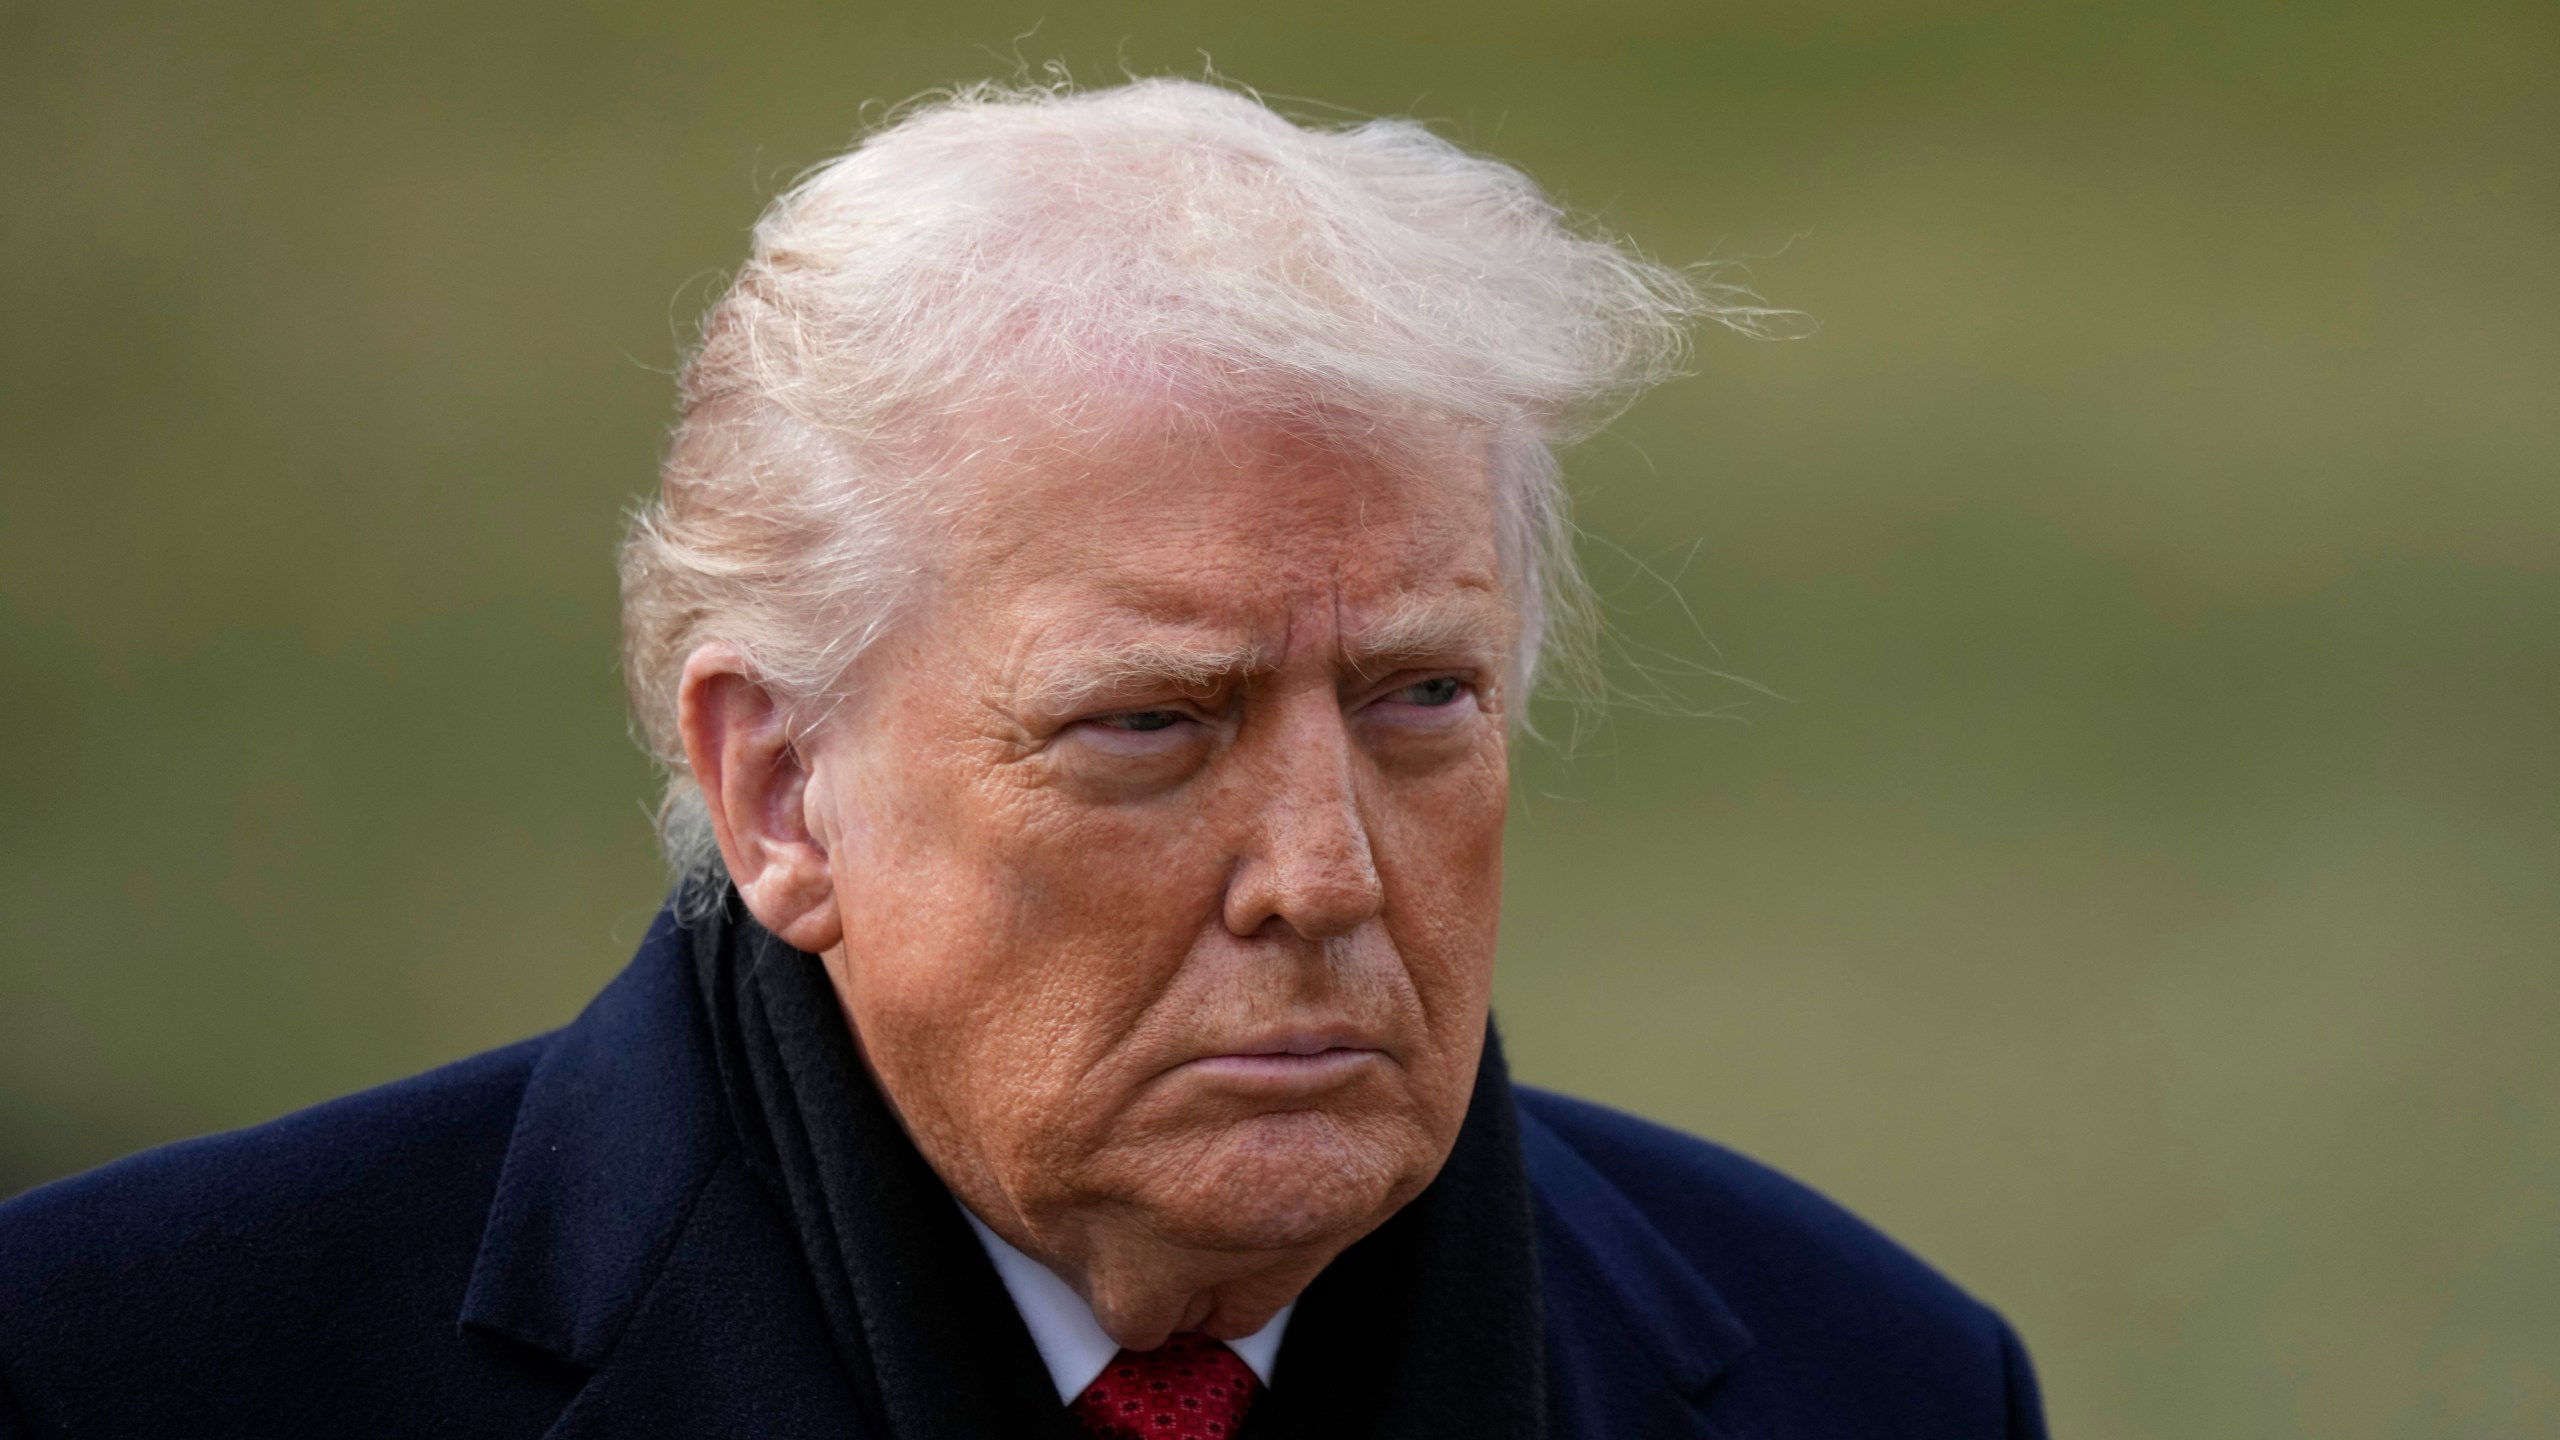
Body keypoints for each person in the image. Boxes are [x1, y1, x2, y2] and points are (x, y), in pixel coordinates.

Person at [0, 78, 2045, 1439]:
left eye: (1419, 697)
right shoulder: (126, 1370)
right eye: (1150, 723)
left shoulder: (1865, 1383)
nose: (1322, 876)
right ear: (778, 790)